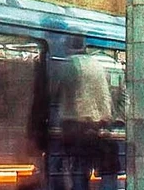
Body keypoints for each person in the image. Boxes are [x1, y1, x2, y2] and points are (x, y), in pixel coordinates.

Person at [59, 49, 116, 190]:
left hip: (75, 125)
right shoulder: (97, 65)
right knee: (106, 168)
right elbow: (105, 97)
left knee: (79, 168)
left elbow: (56, 90)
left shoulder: (68, 64)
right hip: (97, 125)